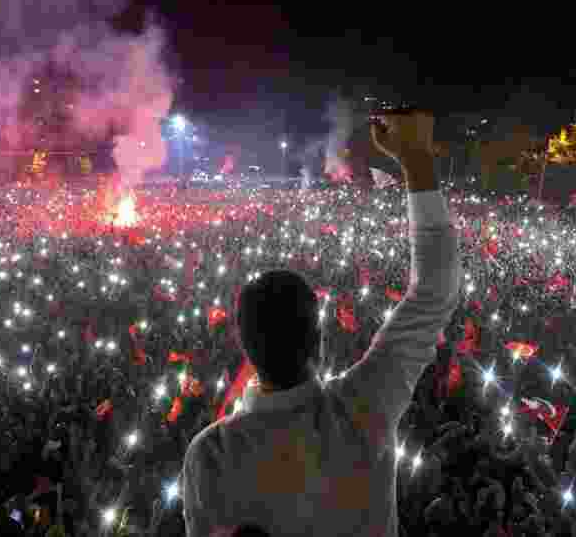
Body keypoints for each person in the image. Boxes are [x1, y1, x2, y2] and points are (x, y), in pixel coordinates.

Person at [182, 111, 461, 536]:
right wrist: (416, 160)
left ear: (245, 346)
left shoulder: (211, 456)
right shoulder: (364, 407)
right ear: (319, 340)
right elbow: (436, 288)